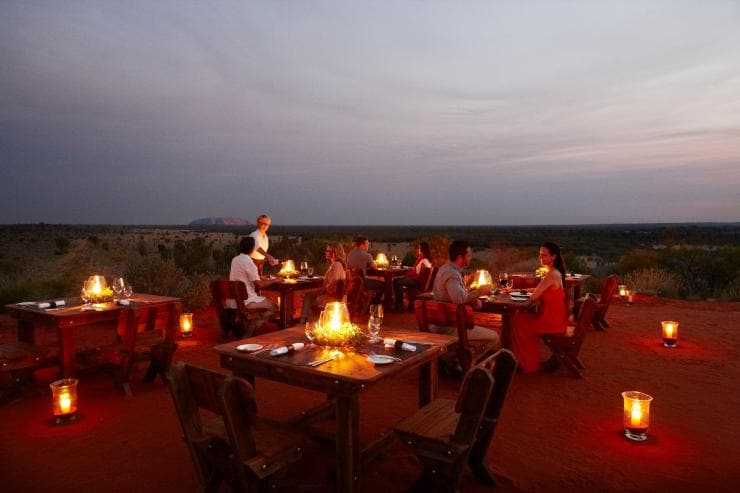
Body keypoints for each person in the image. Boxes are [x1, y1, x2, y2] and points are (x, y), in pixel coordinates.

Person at [511, 241, 569, 373]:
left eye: (544, 255)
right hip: (556, 318)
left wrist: (527, 292)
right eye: (540, 255)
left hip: (551, 321)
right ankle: (523, 360)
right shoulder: (556, 272)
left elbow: (533, 297)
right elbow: (541, 291)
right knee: (522, 318)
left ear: (553, 256)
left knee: (519, 320)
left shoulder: (552, 274)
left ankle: (527, 363)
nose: (541, 258)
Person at [433, 240, 500, 345]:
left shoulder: (443, 269)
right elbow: (459, 298)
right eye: (468, 255)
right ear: (460, 257)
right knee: (494, 337)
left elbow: (456, 296)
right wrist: (481, 291)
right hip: (449, 328)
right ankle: (469, 359)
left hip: (438, 323)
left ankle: (460, 357)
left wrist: (472, 298)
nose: (471, 258)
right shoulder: (452, 274)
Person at [229, 236, 278, 336]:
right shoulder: (249, 262)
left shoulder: (235, 260)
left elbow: (244, 275)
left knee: (263, 304)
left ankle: (248, 324)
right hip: (245, 301)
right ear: (252, 249)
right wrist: (276, 280)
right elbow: (259, 285)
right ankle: (253, 326)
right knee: (273, 307)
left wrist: (260, 276)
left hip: (232, 301)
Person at [299, 243, 347, 323]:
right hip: (332, 294)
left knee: (308, 296)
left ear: (334, 253)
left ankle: (303, 320)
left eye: (328, 251)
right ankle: (309, 320)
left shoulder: (336, 265)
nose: (326, 252)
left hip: (333, 297)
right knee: (309, 295)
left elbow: (333, 285)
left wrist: (323, 289)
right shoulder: (336, 264)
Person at [392, 241, 433, 311]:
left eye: (419, 248)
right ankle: (398, 304)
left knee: (397, 282)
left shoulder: (424, 260)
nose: (418, 250)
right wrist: (411, 269)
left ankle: (399, 306)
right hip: (418, 280)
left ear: (422, 249)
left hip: (417, 282)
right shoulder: (425, 259)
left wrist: (408, 273)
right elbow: (418, 269)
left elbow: (418, 272)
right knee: (396, 281)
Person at [346, 235, 384, 304]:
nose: (367, 247)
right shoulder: (366, 255)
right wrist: (375, 262)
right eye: (367, 245)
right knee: (383, 284)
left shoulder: (350, 254)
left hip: (352, 282)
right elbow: (375, 267)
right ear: (362, 245)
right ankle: (373, 303)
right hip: (362, 282)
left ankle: (367, 302)